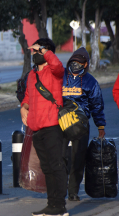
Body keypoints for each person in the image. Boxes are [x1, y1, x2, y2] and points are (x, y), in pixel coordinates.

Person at [20, 38, 69, 216]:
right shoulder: (32, 75)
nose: (35, 54)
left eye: (38, 51)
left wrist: (43, 50)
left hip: (52, 127)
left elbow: (58, 65)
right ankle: (52, 204)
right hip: (37, 129)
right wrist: (23, 108)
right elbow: (27, 97)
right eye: (33, 51)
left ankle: (60, 206)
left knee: (56, 166)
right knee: (47, 168)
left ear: (47, 52)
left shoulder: (54, 72)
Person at [62, 47, 106, 201]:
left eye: (80, 62)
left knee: (78, 158)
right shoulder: (60, 76)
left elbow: (97, 105)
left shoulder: (90, 82)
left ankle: (73, 191)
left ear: (86, 64)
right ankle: (59, 190)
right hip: (61, 123)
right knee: (59, 157)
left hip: (81, 125)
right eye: (74, 61)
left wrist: (100, 125)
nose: (76, 64)